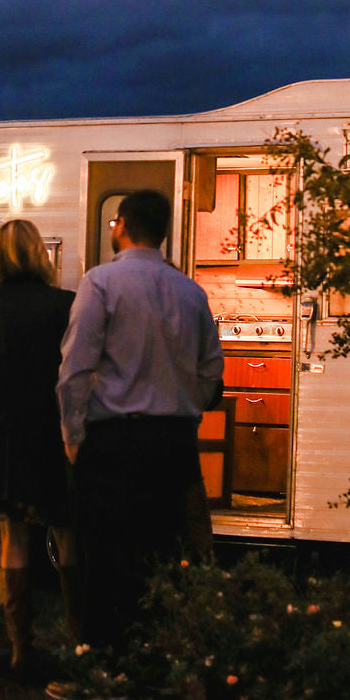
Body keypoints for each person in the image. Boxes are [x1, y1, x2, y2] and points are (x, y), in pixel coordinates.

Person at [56, 188, 224, 658]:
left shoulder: (100, 283)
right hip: (174, 441)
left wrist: (72, 435)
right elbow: (212, 370)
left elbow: (74, 369)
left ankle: (101, 657)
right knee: (163, 550)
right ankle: (156, 654)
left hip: (115, 437)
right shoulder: (191, 291)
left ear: (124, 225)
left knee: (105, 553)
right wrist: (183, 403)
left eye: (114, 223)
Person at [0, 219, 79, 675]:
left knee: (13, 540)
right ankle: (80, 642)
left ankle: (21, 647)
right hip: (50, 435)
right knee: (66, 536)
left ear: (0, 258)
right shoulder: (65, 305)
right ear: (40, 255)